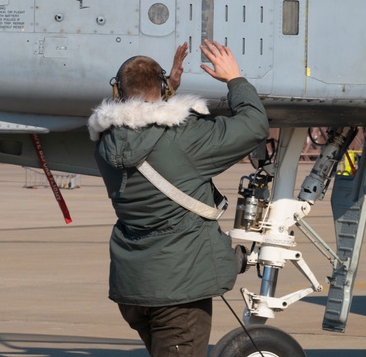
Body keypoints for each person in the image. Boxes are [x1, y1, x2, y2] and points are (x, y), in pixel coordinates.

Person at [88, 40, 269, 357]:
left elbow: (143, 121)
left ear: (117, 93)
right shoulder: (185, 136)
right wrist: (235, 79)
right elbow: (255, 125)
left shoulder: (106, 142)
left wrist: (167, 90)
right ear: (160, 87)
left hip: (134, 287)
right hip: (178, 291)